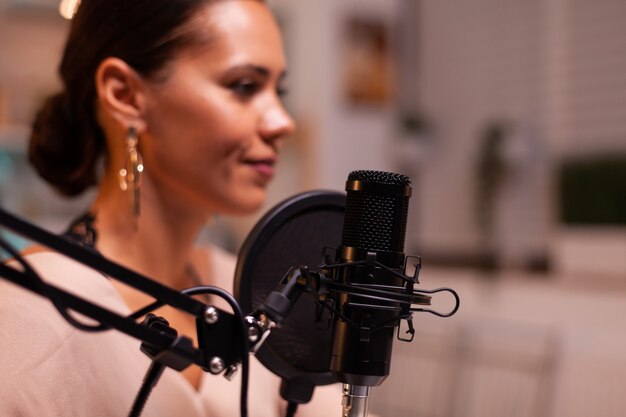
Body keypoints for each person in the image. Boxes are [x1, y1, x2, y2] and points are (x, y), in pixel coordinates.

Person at [0, 0, 342, 416]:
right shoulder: (32, 313)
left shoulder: (250, 289)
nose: (282, 121)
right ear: (125, 95)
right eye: (244, 86)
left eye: (278, 90)